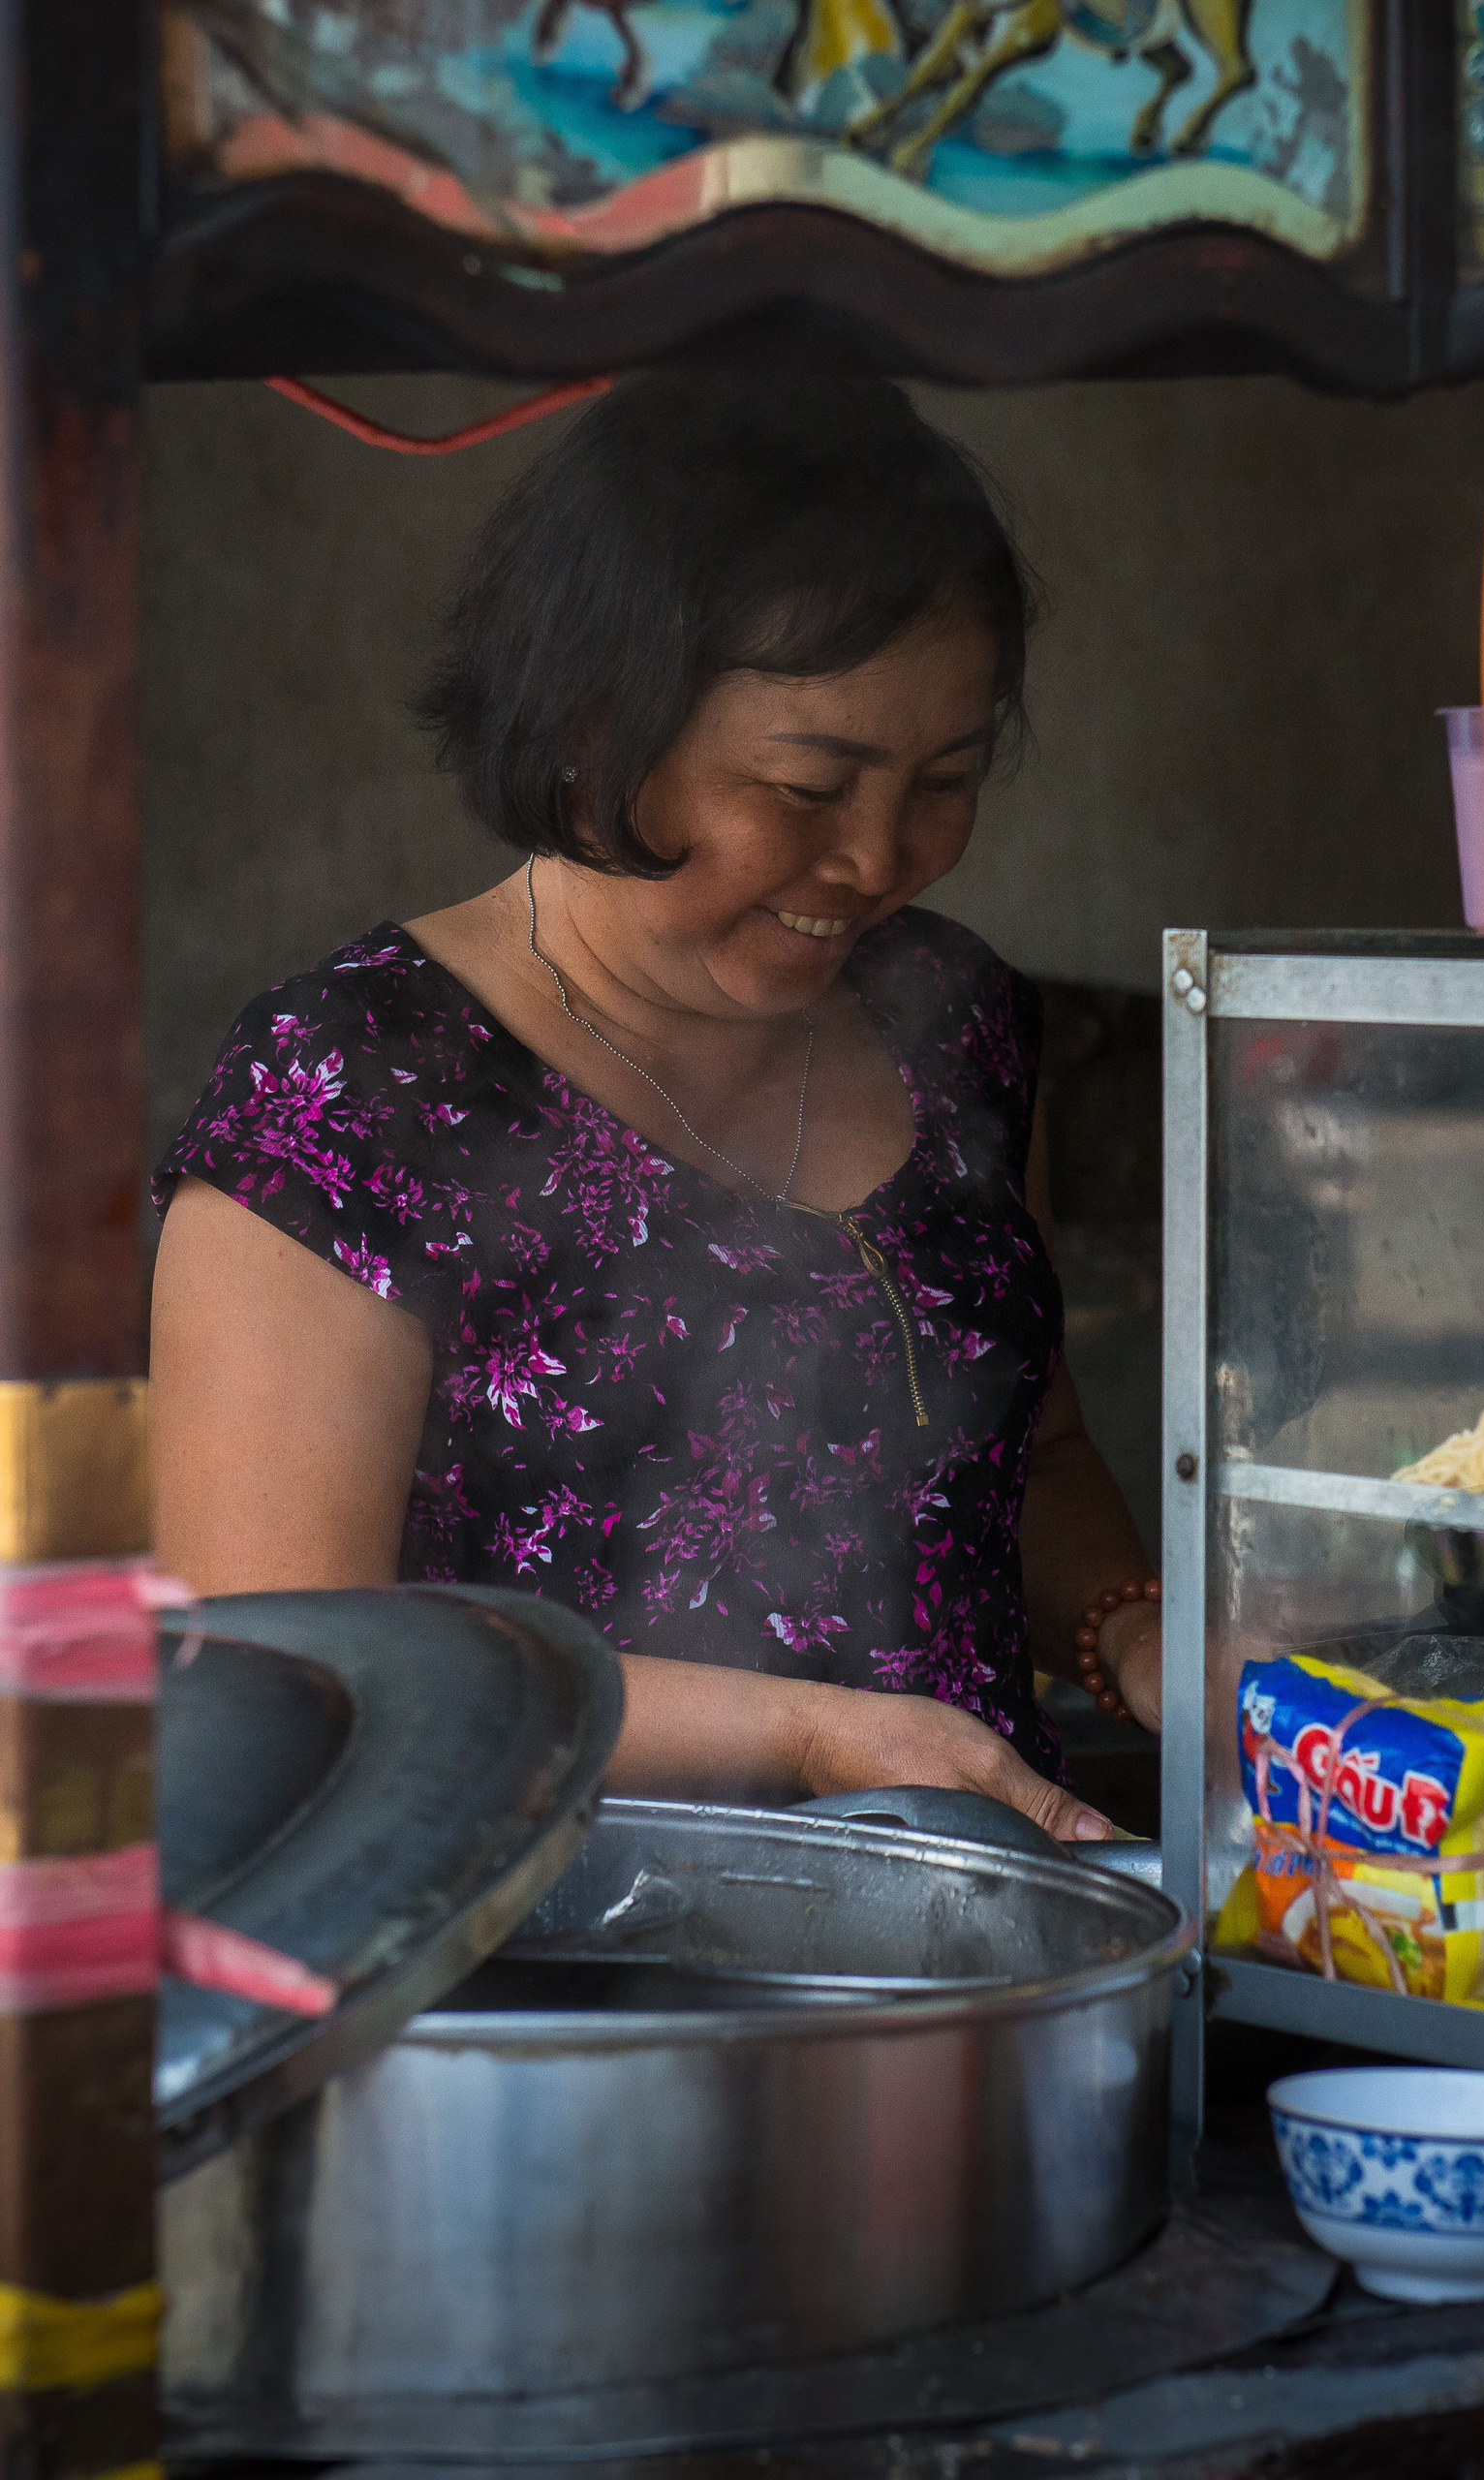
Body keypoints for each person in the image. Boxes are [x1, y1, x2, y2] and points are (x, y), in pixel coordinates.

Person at [150, 372, 1160, 1841]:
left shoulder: (965, 1026)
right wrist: (803, 1735)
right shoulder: (352, 1085)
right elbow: (287, 1671)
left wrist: (1131, 1627)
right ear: (597, 731)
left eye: (944, 778)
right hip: (555, 1997)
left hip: (974, 1958)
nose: (881, 859)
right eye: (811, 787)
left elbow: (1035, 1449)